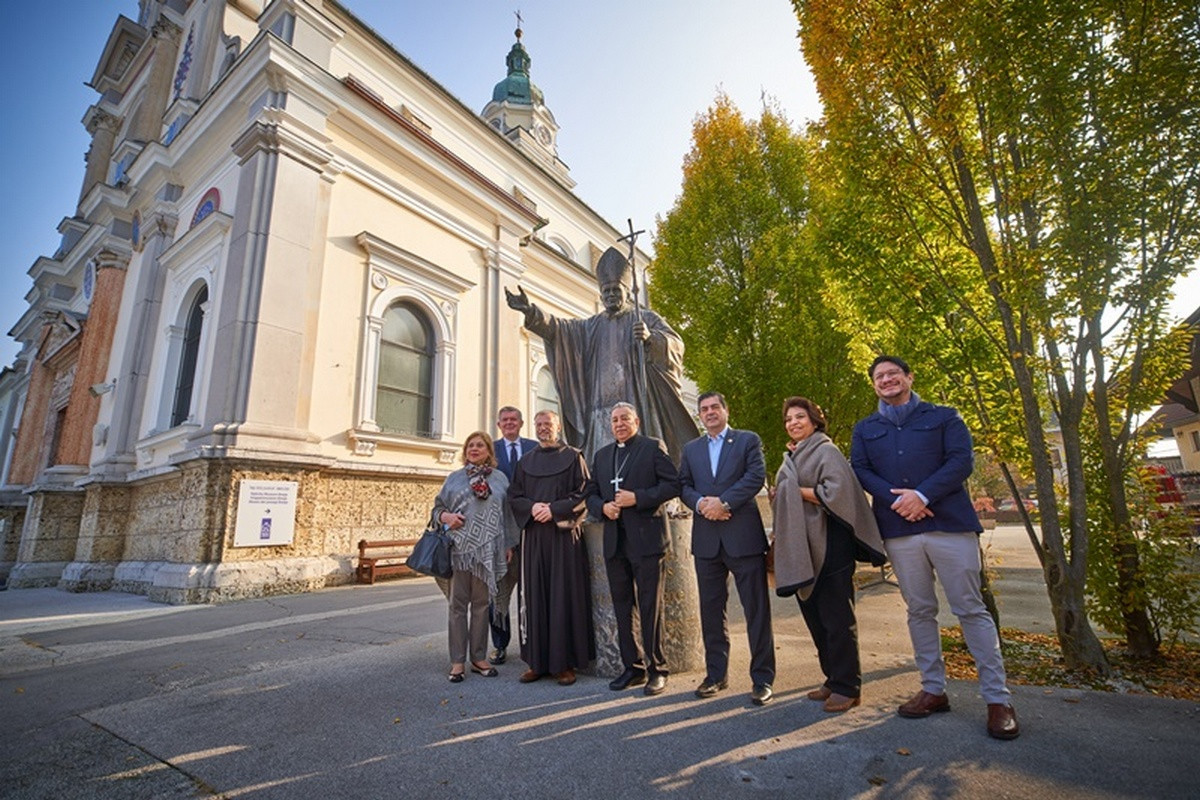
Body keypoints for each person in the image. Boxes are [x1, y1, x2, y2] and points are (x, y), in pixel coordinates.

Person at [851, 356, 1019, 740]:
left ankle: (998, 699)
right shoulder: (866, 428)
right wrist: (900, 502)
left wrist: (923, 494)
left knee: (970, 609)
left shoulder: (945, 416)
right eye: (879, 376)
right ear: (874, 385)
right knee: (920, 610)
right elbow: (861, 469)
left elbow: (961, 461)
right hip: (900, 530)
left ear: (909, 377)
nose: (887, 379)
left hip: (949, 524)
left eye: (894, 373)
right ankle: (933, 689)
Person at [505, 247, 697, 463]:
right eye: (606, 291)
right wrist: (530, 311)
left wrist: (651, 337)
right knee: (601, 466)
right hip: (598, 409)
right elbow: (560, 329)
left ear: (626, 291)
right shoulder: (591, 326)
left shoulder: (644, 317)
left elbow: (676, 345)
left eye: (616, 290)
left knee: (640, 462)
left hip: (636, 403)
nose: (611, 295)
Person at [770, 397, 886, 713]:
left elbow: (837, 493)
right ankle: (833, 678)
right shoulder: (792, 455)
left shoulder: (826, 450)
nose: (793, 423)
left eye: (799, 417)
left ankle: (849, 687)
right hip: (801, 546)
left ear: (814, 421)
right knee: (816, 618)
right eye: (788, 419)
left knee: (837, 618)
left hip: (831, 544)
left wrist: (793, 493)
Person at [679, 392, 776, 705]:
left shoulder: (747, 440)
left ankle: (762, 678)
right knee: (711, 611)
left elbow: (755, 477)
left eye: (714, 407)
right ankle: (715, 675)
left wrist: (724, 502)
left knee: (756, 611)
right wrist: (700, 503)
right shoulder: (691, 449)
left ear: (725, 410)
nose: (709, 413)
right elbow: (683, 486)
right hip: (706, 541)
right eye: (704, 409)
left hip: (742, 537)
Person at [585, 402, 681, 696]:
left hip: (648, 542)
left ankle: (657, 669)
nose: (619, 424)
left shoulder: (652, 448)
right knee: (622, 607)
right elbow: (589, 493)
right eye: (614, 420)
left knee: (651, 607)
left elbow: (673, 485)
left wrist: (636, 498)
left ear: (636, 421)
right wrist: (603, 507)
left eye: (624, 418)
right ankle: (633, 667)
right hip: (615, 542)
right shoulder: (602, 456)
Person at [508, 410, 594, 685]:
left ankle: (564, 664)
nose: (543, 428)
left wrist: (554, 510)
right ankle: (537, 662)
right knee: (534, 596)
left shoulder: (573, 456)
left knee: (562, 595)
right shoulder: (525, 462)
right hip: (534, 537)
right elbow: (515, 496)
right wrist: (533, 508)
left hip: (563, 536)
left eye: (548, 424)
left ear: (558, 426)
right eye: (539, 424)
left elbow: (583, 492)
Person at [431, 432, 519, 683]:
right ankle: (457, 661)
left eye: (480, 445)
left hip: (488, 553)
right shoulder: (455, 479)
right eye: (470, 445)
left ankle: (478, 658)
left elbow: (507, 515)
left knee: (482, 606)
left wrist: (508, 543)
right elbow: (437, 509)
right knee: (458, 606)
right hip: (459, 551)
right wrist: (446, 518)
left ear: (489, 451)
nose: (474, 449)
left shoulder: (500, 479)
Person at [488, 406, 538, 665]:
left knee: (531, 592)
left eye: (513, 420)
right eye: (504, 420)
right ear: (499, 424)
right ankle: (499, 645)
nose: (509, 423)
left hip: (532, 529)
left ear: (520, 423)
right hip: (499, 533)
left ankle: (532, 645)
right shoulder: (489, 450)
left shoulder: (534, 447)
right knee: (498, 593)